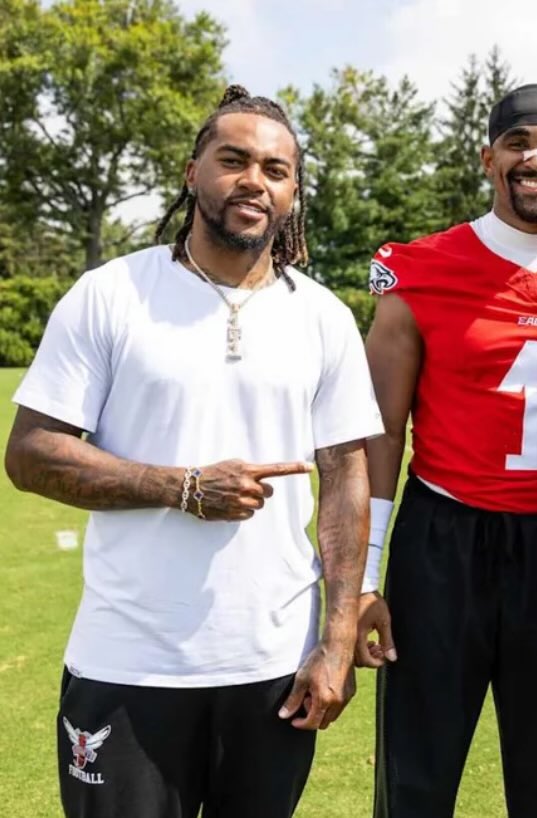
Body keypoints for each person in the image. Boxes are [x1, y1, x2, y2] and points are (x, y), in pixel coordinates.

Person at [4, 85, 383, 818]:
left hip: (273, 669)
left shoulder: (324, 318)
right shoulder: (110, 295)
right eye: (233, 159)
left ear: (293, 191)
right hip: (128, 665)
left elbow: (345, 477)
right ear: (192, 172)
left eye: (275, 170)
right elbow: (30, 454)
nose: (254, 181)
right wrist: (180, 486)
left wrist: (336, 642)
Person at [358, 83, 537, 817]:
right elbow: (380, 431)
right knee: (415, 771)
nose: (536, 158)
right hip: (441, 535)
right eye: (520, 143)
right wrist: (363, 574)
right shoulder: (421, 271)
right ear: (489, 159)